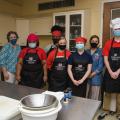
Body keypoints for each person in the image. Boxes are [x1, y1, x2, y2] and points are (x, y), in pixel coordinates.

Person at [102, 18, 120, 114]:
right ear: (113, 31)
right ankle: (110, 110)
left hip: (119, 71)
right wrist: (110, 71)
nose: (118, 31)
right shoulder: (108, 43)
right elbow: (105, 58)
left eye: (119, 29)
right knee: (110, 92)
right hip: (110, 71)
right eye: (116, 29)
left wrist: (118, 71)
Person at [86, 35, 104, 100]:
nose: (94, 42)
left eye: (96, 41)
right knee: (87, 95)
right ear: (90, 42)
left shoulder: (100, 52)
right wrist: (87, 74)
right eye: (93, 41)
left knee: (95, 97)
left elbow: (101, 66)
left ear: (98, 43)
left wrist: (92, 74)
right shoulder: (86, 52)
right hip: (86, 77)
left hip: (96, 78)